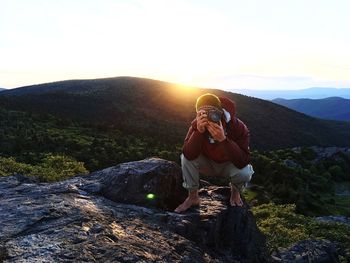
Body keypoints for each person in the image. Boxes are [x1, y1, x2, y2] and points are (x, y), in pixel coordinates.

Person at [174, 93, 254, 213]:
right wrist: (199, 132)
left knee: (245, 172)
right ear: (198, 114)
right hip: (208, 164)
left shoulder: (238, 127)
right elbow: (188, 154)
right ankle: (193, 196)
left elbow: (243, 161)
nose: (209, 117)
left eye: (213, 113)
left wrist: (224, 140)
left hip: (228, 165)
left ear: (221, 111)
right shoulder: (196, 125)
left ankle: (235, 191)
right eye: (203, 114)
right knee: (185, 159)